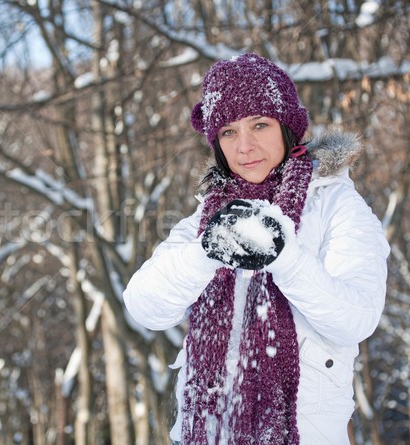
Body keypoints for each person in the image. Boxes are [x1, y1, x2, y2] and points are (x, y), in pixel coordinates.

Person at [123, 53, 389, 444]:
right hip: (208, 433)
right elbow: (144, 306)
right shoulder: (208, 218)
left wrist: (284, 258)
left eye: (259, 125)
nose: (244, 147)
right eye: (228, 132)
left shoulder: (336, 206)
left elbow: (357, 318)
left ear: (286, 127)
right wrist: (204, 253)